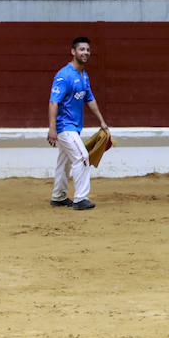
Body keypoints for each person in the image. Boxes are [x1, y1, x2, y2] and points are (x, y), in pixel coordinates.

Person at [47, 36, 109, 211]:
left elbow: (89, 99)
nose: (85, 52)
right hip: (65, 127)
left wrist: (102, 121)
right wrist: (52, 128)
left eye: (88, 50)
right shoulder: (64, 75)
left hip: (74, 126)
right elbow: (53, 102)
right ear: (73, 52)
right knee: (82, 157)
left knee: (64, 162)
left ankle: (58, 197)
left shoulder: (83, 75)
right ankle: (80, 198)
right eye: (82, 49)